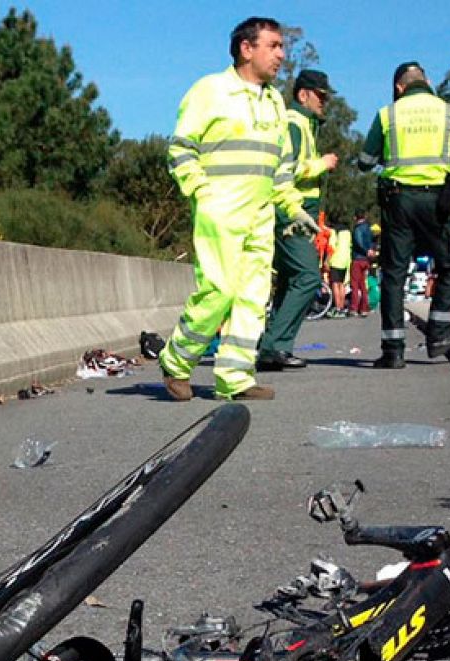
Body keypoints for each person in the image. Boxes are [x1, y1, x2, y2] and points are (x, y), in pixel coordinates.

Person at [160, 17, 316, 400]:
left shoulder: (275, 101)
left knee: (252, 297)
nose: (281, 55)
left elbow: (280, 166)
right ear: (247, 48)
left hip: (261, 215)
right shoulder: (210, 91)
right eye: (274, 46)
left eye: (282, 47)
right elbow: (180, 148)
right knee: (219, 290)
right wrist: (201, 192)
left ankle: (235, 377)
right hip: (221, 211)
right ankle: (177, 360)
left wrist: (293, 207)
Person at [356, 61, 450, 369]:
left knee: (394, 274)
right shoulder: (449, 113)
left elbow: (365, 161)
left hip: (398, 201)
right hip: (438, 201)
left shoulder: (387, 114)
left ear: (399, 87)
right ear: (427, 81)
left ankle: (393, 350)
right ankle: (439, 334)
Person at [258, 68, 339, 371]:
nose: (324, 103)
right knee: (308, 278)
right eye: (320, 96)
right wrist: (322, 164)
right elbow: (284, 169)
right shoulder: (294, 123)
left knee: (291, 280)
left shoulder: (305, 124)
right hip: (291, 214)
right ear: (303, 94)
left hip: (297, 213)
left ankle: (275, 347)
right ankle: (274, 345)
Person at [349, 212, 375, 317]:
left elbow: (358, 241)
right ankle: (364, 308)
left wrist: (365, 251)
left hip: (358, 258)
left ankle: (354, 308)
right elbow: (372, 242)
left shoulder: (357, 229)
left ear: (355, 217)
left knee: (355, 285)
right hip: (366, 260)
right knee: (363, 285)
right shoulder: (368, 228)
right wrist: (371, 251)